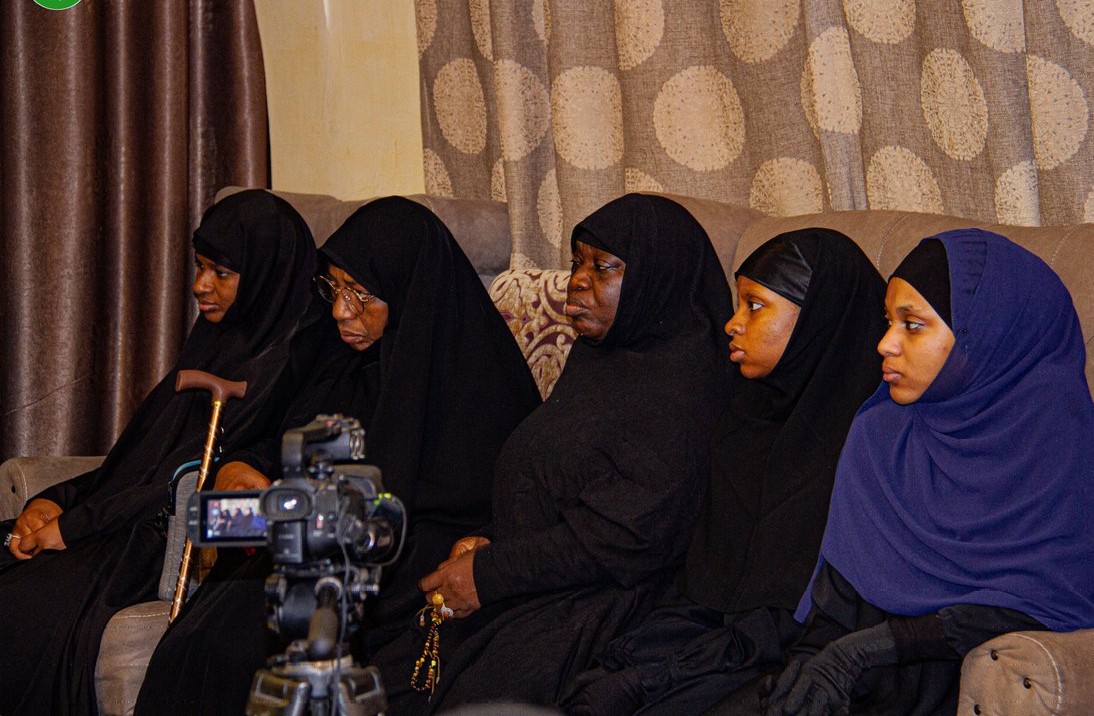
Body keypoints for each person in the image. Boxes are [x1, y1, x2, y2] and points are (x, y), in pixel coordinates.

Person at [134, 196, 542, 716]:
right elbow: (279, 431)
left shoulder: (483, 383)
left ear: (409, 292)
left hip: (398, 575)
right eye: (334, 287)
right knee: (197, 643)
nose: (340, 311)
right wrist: (244, 466)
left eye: (361, 294)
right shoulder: (338, 358)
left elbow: (505, 511)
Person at [718, 229, 1094, 716]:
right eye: (888, 321)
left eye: (912, 325)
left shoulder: (1059, 438)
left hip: (951, 674)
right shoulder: (881, 427)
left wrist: (863, 653)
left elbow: (1045, 600)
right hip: (857, 673)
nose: (884, 343)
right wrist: (809, 665)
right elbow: (840, 592)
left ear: (984, 332)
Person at [377, 193, 735, 713]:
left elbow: (626, 538)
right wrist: (492, 543)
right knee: (381, 681)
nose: (578, 281)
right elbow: (560, 481)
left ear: (658, 279)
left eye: (603, 266)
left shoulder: (684, 386)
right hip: (539, 576)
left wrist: (492, 571)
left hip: (607, 603)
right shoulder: (602, 356)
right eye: (577, 262)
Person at [0, 190, 323, 716]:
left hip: (152, 542)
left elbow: (185, 479)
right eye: (200, 267)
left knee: (20, 609)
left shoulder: (282, 367)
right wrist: (57, 499)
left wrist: (76, 525)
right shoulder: (215, 340)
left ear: (265, 275)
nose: (200, 286)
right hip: (108, 522)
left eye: (221, 273)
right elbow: (135, 459)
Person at [561, 229, 886, 715]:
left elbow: (812, 618)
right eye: (737, 305)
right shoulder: (745, 414)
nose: (732, 324)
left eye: (755, 307)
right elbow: (705, 580)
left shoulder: (870, 442)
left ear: (818, 318)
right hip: (708, 629)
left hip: (791, 658)